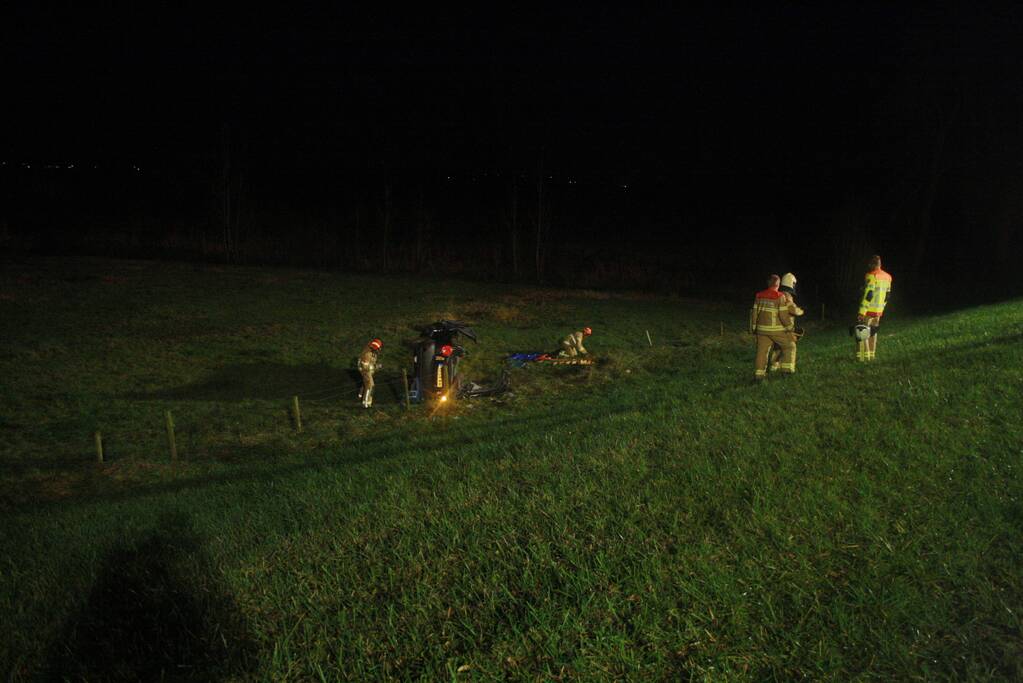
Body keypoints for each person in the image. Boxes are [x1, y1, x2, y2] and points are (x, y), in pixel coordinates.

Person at [750, 274, 796, 381]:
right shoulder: (780, 297)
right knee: (790, 346)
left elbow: (754, 313)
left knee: (762, 352)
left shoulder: (759, 295)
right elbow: (783, 316)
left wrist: (753, 328)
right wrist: (790, 328)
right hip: (775, 330)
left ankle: (759, 375)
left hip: (761, 330)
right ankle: (787, 371)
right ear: (778, 284)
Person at [856, 255, 893, 361]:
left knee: (863, 333)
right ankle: (872, 356)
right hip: (878, 311)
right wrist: (881, 309)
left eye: (869, 264)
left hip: (868, 310)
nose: (868, 266)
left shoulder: (871, 276)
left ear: (872, 264)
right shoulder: (888, 277)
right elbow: (887, 296)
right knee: (873, 332)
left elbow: (869, 294)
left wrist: (861, 312)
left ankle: (865, 358)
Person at [770, 272, 805, 372]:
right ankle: (787, 369)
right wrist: (800, 311)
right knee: (790, 346)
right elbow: (792, 309)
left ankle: (774, 365)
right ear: (792, 284)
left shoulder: (779, 295)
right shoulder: (787, 296)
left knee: (778, 347)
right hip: (785, 328)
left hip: (777, 326)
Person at [357, 338, 383, 407]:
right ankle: (366, 403)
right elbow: (365, 367)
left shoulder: (373, 352)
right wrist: (376, 367)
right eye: (378, 348)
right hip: (365, 371)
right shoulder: (367, 354)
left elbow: (372, 362)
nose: (379, 350)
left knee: (366, 384)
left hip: (368, 371)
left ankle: (361, 395)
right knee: (370, 385)